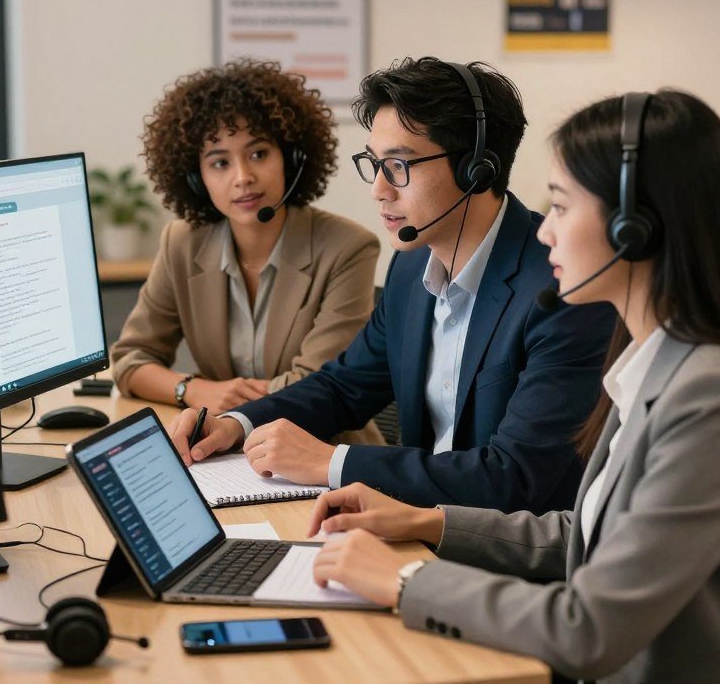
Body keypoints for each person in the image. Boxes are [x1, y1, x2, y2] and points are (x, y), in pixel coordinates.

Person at [304, 90, 720, 683]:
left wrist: (405, 579)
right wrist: (423, 521)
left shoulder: (716, 397)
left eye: (561, 207)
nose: (545, 234)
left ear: (634, 229)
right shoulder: (655, 359)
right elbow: (590, 533)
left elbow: (588, 628)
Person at [171, 56, 616, 512]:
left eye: (399, 165)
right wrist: (235, 424)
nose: (379, 190)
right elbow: (345, 385)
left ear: (476, 169)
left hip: (504, 553)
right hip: (411, 523)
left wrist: (332, 462)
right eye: (374, 163)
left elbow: (513, 478)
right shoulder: (411, 266)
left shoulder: (565, 292)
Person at [111, 60, 380, 424]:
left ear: (292, 157)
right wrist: (192, 389)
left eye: (258, 154)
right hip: (224, 455)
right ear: (196, 179)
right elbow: (130, 359)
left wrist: (230, 410)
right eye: (219, 163)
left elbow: (319, 386)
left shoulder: (347, 248)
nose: (243, 177)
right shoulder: (182, 243)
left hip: (319, 450)